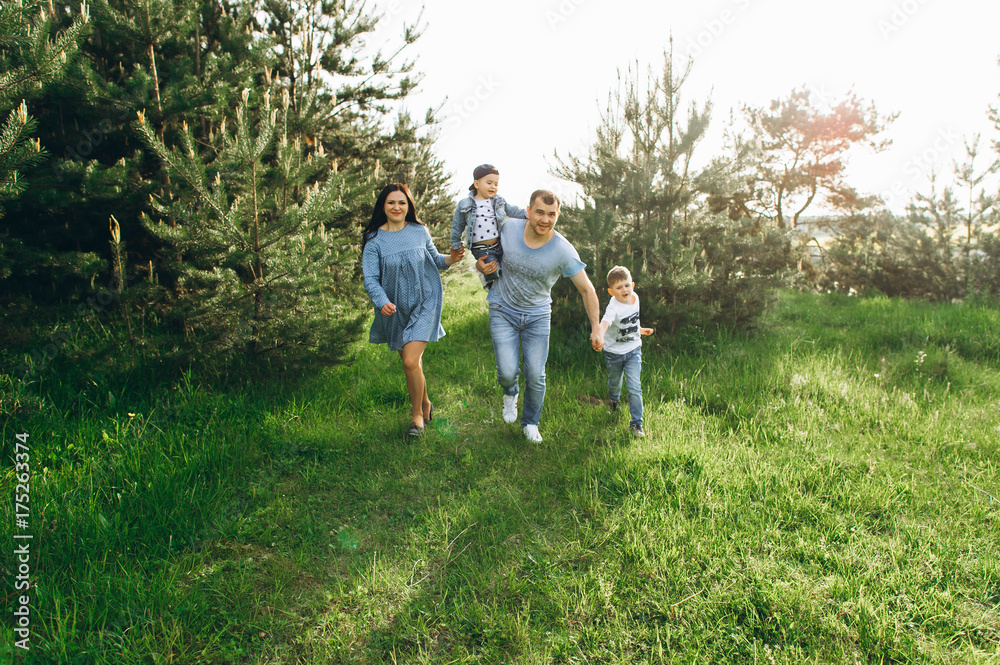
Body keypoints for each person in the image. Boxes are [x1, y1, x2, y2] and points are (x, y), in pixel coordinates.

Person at [477, 189, 603, 443]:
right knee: (507, 372)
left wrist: (596, 327)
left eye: (551, 214)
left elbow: (586, 289)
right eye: (540, 213)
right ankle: (510, 393)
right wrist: (481, 264)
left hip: (536, 316)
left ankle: (530, 422)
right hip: (502, 308)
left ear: (558, 215)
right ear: (528, 212)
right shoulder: (509, 228)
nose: (545, 219)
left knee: (536, 374)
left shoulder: (563, 250)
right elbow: (483, 248)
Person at [362, 183, 464, 436]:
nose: (397, 207)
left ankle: (416, 416)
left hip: (425, 301)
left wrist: (452, 258)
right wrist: (381, 301)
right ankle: (426, 404)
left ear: (409, 206)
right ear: (383, 207)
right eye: (391, 203)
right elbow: (371, 278)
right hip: (394, 308)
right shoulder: (374, 240)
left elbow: (437, 260)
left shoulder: (419, 231)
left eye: (402, 203)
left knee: (409, 361)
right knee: (413, 364)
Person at [596, 266, 654, 437]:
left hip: (634, 350)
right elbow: (605, 324)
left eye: (627, 285)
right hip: (613, 353)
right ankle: (613, 402)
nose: (624, 290)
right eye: (619, 287)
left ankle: (636, 424)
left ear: (633, 285)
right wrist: (598, 335)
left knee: (635, 386)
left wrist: (640, 330)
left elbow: (631, 321)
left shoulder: (635, 299)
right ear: (611, 291)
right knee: (615, 383)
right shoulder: (612, 308)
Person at [450, 164, 526, 290]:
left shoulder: (498, 201)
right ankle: (488, 282)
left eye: (496, 184)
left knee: (510, 268)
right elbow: (457, 226)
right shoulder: (465, 203)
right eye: (489, 183)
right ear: (477, 184)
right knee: (493, 271)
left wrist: (528, 214)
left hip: (499, 245)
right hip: (482, 249)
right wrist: (456, 244)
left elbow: (513, 211)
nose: (493, 187)